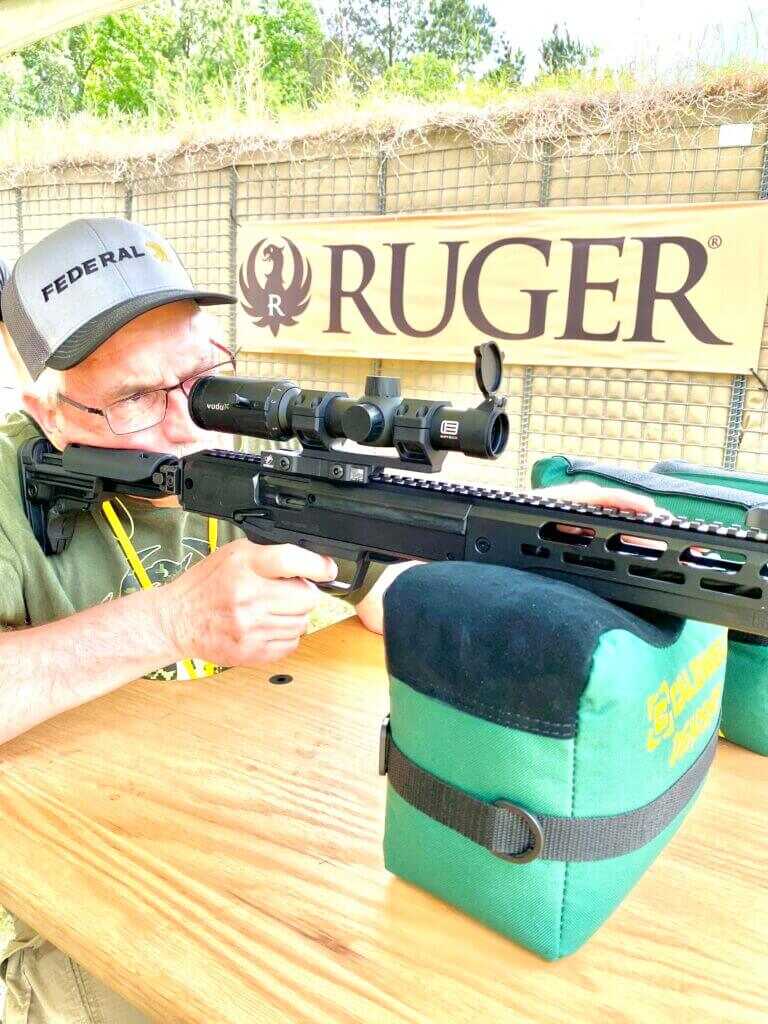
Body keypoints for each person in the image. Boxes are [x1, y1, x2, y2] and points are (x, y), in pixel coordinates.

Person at [0, 217, 659, 1023]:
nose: (187, 424)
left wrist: (533, 535)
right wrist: (171, 621)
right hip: (61, 892)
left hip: (235, 840)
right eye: (135, 399)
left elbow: (392, 591)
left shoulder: (241, 453)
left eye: (201, 379)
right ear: (49, 410)